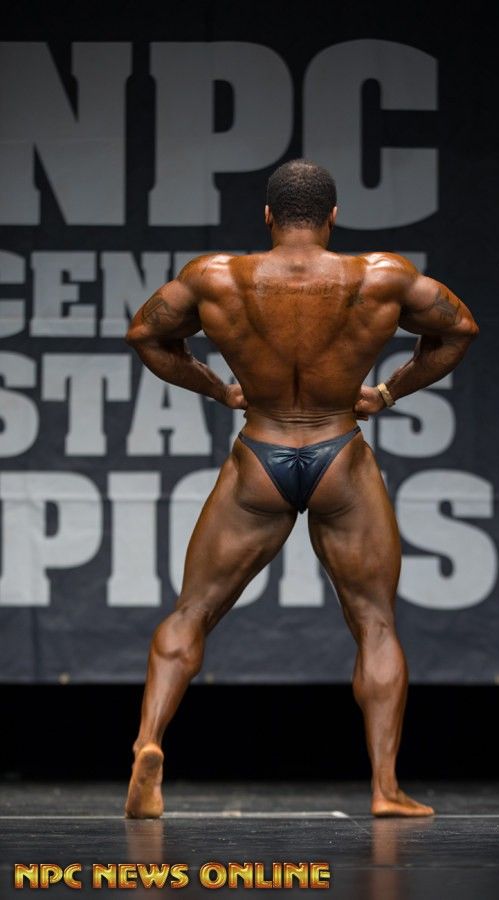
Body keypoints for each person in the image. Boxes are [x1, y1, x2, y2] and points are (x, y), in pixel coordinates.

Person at [124, 159, 479, 819]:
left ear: (267, 216)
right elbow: (459, 329)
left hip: (259, 452)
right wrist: (388, 391)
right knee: (375, 622)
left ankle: (149, 743)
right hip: (338, 451)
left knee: (192, 612)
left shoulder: (215, 276)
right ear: (333, 216)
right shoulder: (381, 276)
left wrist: (216, 387)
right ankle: (385, 789)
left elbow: (146, 334)